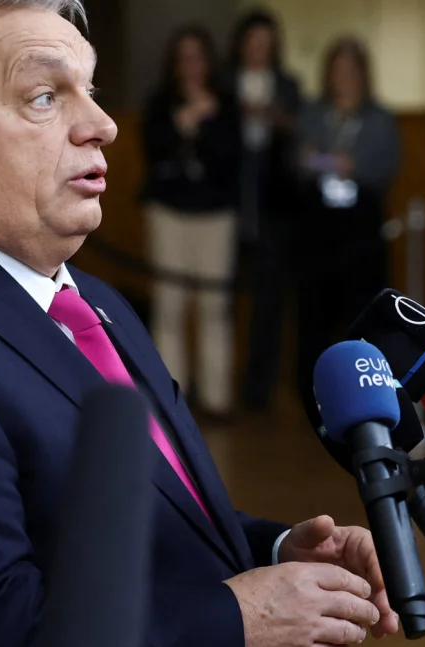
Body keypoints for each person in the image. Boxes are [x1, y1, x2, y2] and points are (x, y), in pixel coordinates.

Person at [0, 1, 399, 647]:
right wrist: (236, 619)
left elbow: (128, 524)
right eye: (45, 97)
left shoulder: (94, 300)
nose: (103, 125)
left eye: (91, 90)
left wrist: (271, 551)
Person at [293, 36, 401, 422]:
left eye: (351, 70)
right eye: (337, 69)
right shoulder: (313, 114)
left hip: (361, 231)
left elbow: (386, 165)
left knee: (361, 316)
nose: (344, 77)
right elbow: (297, 160)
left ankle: (362, 400)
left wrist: (351, 165)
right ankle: (313, 401)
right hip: (317, 228)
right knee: (314, 318)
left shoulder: (379, 118)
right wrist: (326, 162)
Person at [141, 26, 241, 421]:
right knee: (169, 307)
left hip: (216, 215)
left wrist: (208, 119)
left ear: (209, 61)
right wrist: (183, 123)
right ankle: (172, 398)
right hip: (169, 212)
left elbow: (231, 157)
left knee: (215, 308)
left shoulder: (227, 103)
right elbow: (154, 151)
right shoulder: (159, 103)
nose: (190, 65)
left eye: (197, 56)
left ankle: (217, 398)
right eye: (183, 57)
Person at [226, 10, 303, 412]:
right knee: (220, 299)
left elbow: (300, 137)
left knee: (269, 302)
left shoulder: (288, 85)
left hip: (275, 203)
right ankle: (216, 383)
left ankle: (260, 387)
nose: (259, 50)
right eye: (253, 42)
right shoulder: (224, 82)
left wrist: (279, 121)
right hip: (228, 200)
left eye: (266, 44)